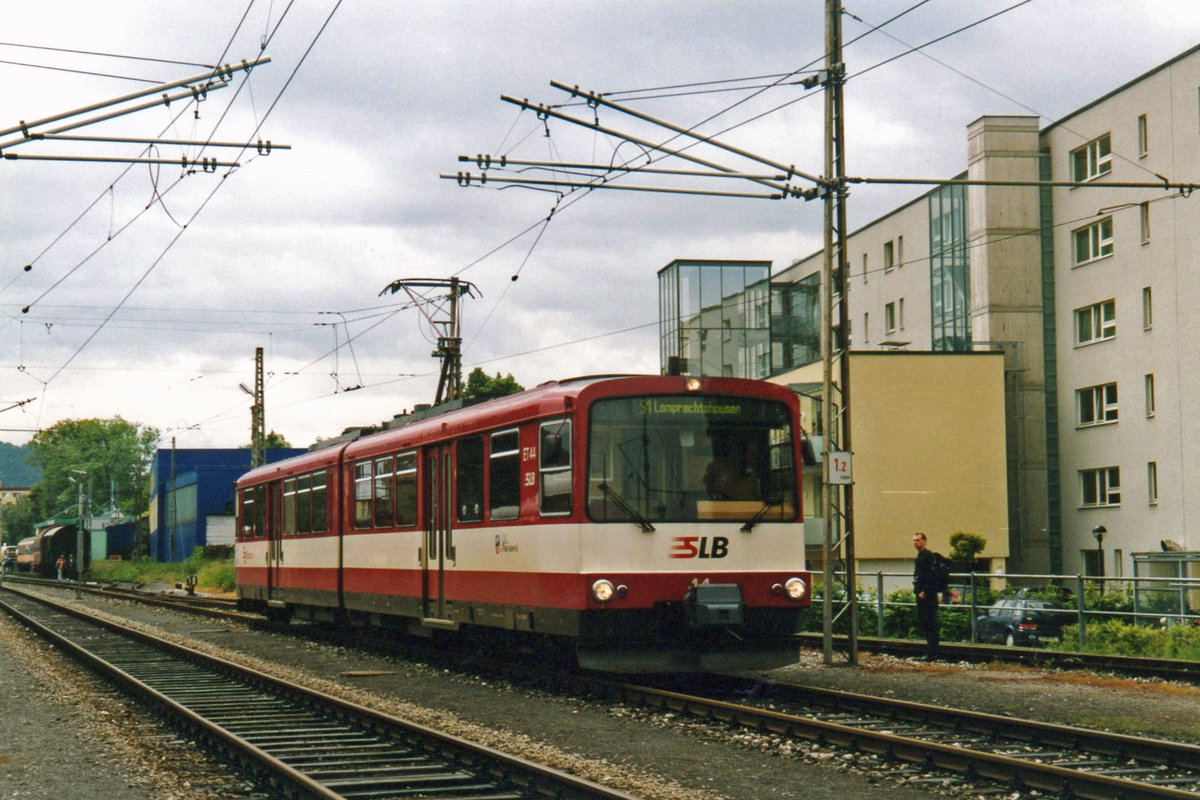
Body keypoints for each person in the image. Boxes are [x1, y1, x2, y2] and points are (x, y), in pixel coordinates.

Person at [911, 532, 944, 662]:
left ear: (924, 541)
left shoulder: (927, 556)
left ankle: (932, 653)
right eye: (913, 540)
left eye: (918, 540)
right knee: (927, 623)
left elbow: (931, 576)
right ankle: (931, 652)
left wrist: (924, 590)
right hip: (923, 593)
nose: (915, 542)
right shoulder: (921, 556)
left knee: (930, 622)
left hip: (927, 595)